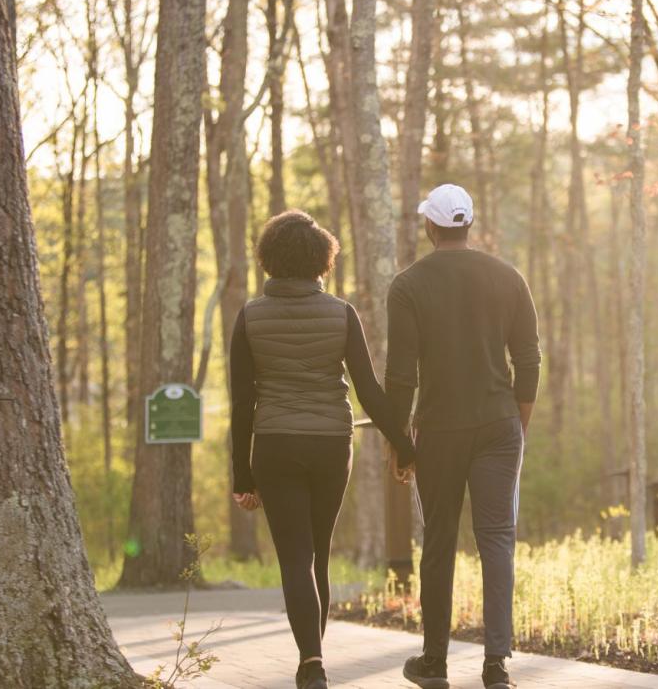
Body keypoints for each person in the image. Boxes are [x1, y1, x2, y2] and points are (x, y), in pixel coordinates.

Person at [231, 210, 415, 689]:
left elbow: (241, 403)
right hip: (332, 443)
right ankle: (313, 660)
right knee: (317, 552)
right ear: (322, 259)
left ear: (269, 258)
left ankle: (311, 662)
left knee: (295, 558)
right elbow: (369, 391)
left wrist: (241, 477)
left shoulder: (250, 316)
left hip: (274, 444)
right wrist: (405, 446)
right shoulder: (341, 312)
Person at [387, 184, 541, 689]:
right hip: (499, 425)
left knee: (438, 543)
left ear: (430, 227)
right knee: (497, 541)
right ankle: (496, 666)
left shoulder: (408, 285)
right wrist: (516, 422)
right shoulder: (507, 276)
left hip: (438, 430)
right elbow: (529, 358)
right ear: (467, 225)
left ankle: (434, 664)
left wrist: (399, 442)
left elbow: (401, 376)